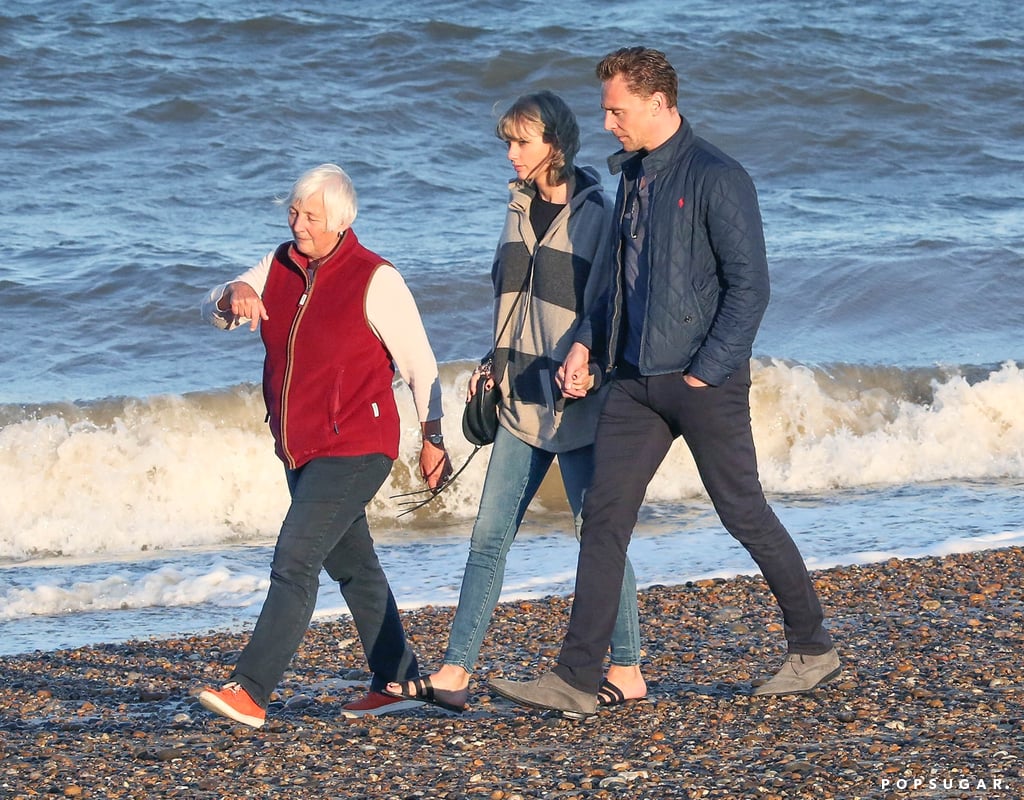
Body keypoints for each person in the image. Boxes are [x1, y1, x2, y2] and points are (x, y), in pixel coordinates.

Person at [489, 48, 840, 718]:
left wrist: (706, 373)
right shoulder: (634, 178)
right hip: (633, 383)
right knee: (603, 520)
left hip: (703, 382)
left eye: (616, 109)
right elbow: (614, 283)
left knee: (743, 512)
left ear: (657, 102)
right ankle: (576, 678)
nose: (608, 121)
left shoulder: (718, 176)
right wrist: (588, 342)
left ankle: (813, 645)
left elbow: (751, 290)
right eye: (605, 110)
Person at [382, 91, 647, 715]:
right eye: (508, 141)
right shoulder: (515, 207)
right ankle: (454, 670)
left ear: (553, 143)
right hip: (516, 400)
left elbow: (608, 310)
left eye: (521, 142)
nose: (511, 153)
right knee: (488, 536)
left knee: (596, 538)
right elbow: (509, 301)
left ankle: (629, 667)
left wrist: (591, 367)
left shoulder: (598, 216)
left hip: (576, 403)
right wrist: (490, 366)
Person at [197, 163, 453, 728]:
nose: (299, 224)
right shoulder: (278, 264)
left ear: (339, 221)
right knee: (354, 566)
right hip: (301, 449)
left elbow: (420, 364)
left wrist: (433, 437)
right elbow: (217, 312)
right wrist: (230, 292)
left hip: (359, 444)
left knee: (294, 561)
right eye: (294, 212)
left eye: (311, 216)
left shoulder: (374, 277)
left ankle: (251, 689)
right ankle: (397, 678)